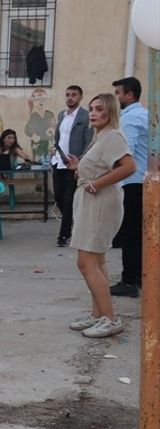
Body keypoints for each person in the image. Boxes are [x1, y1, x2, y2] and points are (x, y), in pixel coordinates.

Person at [66, 93, 137, 338]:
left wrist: (97, 183)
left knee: (86, 262)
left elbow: (129, 166)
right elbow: (102, 166)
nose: (93, 113)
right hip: (92, 201)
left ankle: (110, 318)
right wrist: (80, 168)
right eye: (91, 109)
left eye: (99, 109)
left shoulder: (114, 136)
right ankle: (99, 314)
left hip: (100, 202)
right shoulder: (101, 137)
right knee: (97, 261)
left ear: (110, 112)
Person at [109, 76, 148, 298]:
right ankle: (141, 277)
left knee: (131, 234)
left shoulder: (131, 119)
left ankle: (129, 280)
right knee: (139, 233)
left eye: (118, 93)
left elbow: (125, 152)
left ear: (129, 95)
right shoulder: (143, 115)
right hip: (142, 180)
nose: (117, 98)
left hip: (133, 182)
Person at [51, 85, 91, 248]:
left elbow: (88, 141)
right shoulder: (62, 115)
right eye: (67, 95)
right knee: (58, 196)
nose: (70, 98)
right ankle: (73, 223)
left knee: (68, 199)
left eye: (74, 95)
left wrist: (81, 161)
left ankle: (64, 235)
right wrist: (53, 150)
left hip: (73, 164)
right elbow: (58, 137)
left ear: (80, 97)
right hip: (58, 161)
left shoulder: (85, 116)